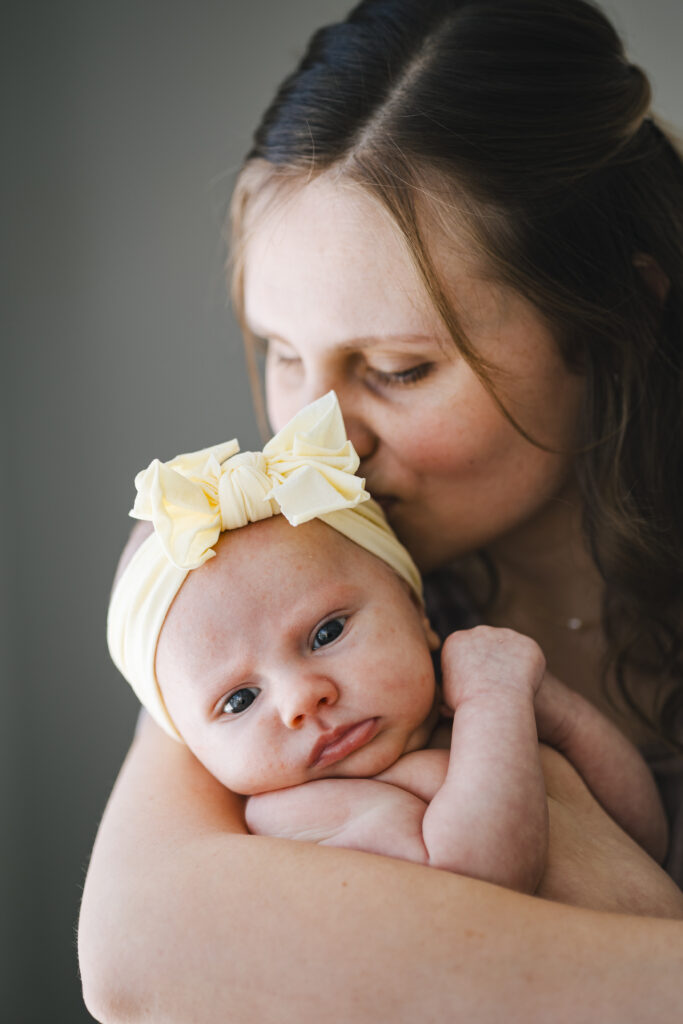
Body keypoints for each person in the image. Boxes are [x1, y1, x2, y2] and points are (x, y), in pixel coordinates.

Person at [79, 1, 683, 1021]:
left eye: (398, 369)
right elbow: (140, 961)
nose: (319, 445)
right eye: (281, 351)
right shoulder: (261, 592)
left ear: (613, 319)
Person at [107, 392, 667, 891]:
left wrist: (557, 713)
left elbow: (643, 831)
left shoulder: (470, 711)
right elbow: (482, 875)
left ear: (417, 609)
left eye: (326, 633)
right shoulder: (304, 812)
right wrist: (495, 700)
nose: (303, 699)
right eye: (238, 700)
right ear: (191, 748)